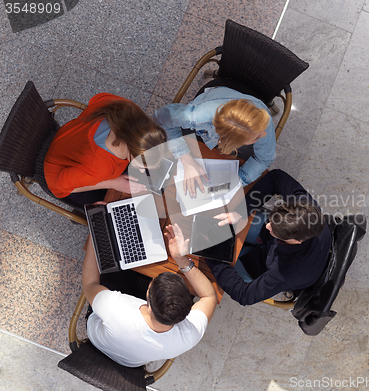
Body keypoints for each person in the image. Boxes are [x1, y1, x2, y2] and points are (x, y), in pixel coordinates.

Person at [82, 224, 217, 367]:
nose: (152, 281)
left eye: (151, 285)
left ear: (150, 307)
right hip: (131, 360)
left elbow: (89, 285)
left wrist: (94, 232)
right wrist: (181, 260)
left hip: (104, 326)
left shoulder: (115, 308)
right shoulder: (189, 336)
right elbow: (209, 296)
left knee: (118, 260)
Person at [205, 169, 332, 306]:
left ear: (295, 240)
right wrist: (241, 211)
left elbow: (244, 295)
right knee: (228, 222)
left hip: (264, 264)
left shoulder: (284, 273)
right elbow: (276, 177)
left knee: (212, 265)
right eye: (272, 221)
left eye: (275, 229)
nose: (268, 226)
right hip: (275, 246)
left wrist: (212, 255)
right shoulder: (305, 208)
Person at [44, 93, 167, 207]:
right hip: (58, 171)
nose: (141, 170)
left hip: (67, 139)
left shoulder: (129, 109)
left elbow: (98, 98)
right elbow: (57, 186)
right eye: (142, 166)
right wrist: (112, 183)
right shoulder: (100, 168)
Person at [153, 87, 276, 197]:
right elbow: (160, 119)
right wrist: (186, 160)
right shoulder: (195, 117)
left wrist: (237, 181)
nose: (265, 134)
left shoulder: (261, 117)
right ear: (228, 142)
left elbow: (265, 158)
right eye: (256, 138)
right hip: (211, 102)